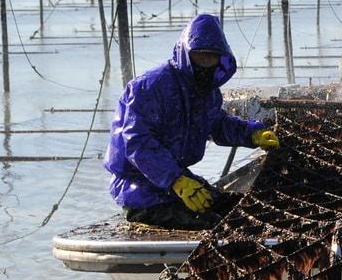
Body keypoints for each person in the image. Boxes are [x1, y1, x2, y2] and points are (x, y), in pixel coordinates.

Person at [104, 12, 280, 230]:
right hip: (139, 188)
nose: (205, 63)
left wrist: (252, 134)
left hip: (175, 179)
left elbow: (217, 123)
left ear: (221, 58)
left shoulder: (206, 92)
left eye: (211, 56)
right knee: (213, 225)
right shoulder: (150, 87)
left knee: (234, 208)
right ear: (186, 54)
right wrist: (176, 181)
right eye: (200, 56)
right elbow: (137, 143)